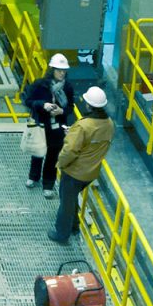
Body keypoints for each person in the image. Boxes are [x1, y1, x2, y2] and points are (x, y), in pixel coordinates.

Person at [51, 84, 113, 245]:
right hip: (91, 173)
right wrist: (74, 132)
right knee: (71, 200)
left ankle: (61, 234)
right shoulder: (109, 123)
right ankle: (74, 226)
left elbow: (70, 150)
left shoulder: (83, 125)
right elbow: (94, 140)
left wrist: (60, 164)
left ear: (88, 105)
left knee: (66, 203)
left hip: (75, 172)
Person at [22, 52, 76, 195]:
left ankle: (48, 184)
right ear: (52, 70)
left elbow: (70, 107)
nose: (62, 73)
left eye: (64, 71)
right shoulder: (40, 85)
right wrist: (43, 104)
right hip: (41, 125)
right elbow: (28, 101)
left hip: (57, 129)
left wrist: (61, 111)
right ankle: (33, 177)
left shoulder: (68, 88)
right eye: (59, 70)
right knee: (38, 152)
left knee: (53, 157)